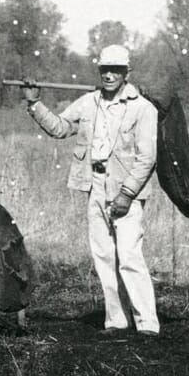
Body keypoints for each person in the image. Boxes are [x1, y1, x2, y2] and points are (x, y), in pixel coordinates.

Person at [21, 44, 160, 336]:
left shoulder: (143, 108)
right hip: (94, 186)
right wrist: (35, 105)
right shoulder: (87, 102)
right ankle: (117, 321)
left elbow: (147, 158)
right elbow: (59, 128)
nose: (109, 75)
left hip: (127, 191)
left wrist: (126, 195)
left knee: (130, 256)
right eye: (105, 70)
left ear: (127, 73)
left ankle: (147, 325)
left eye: (116, 70)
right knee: (104, 257)